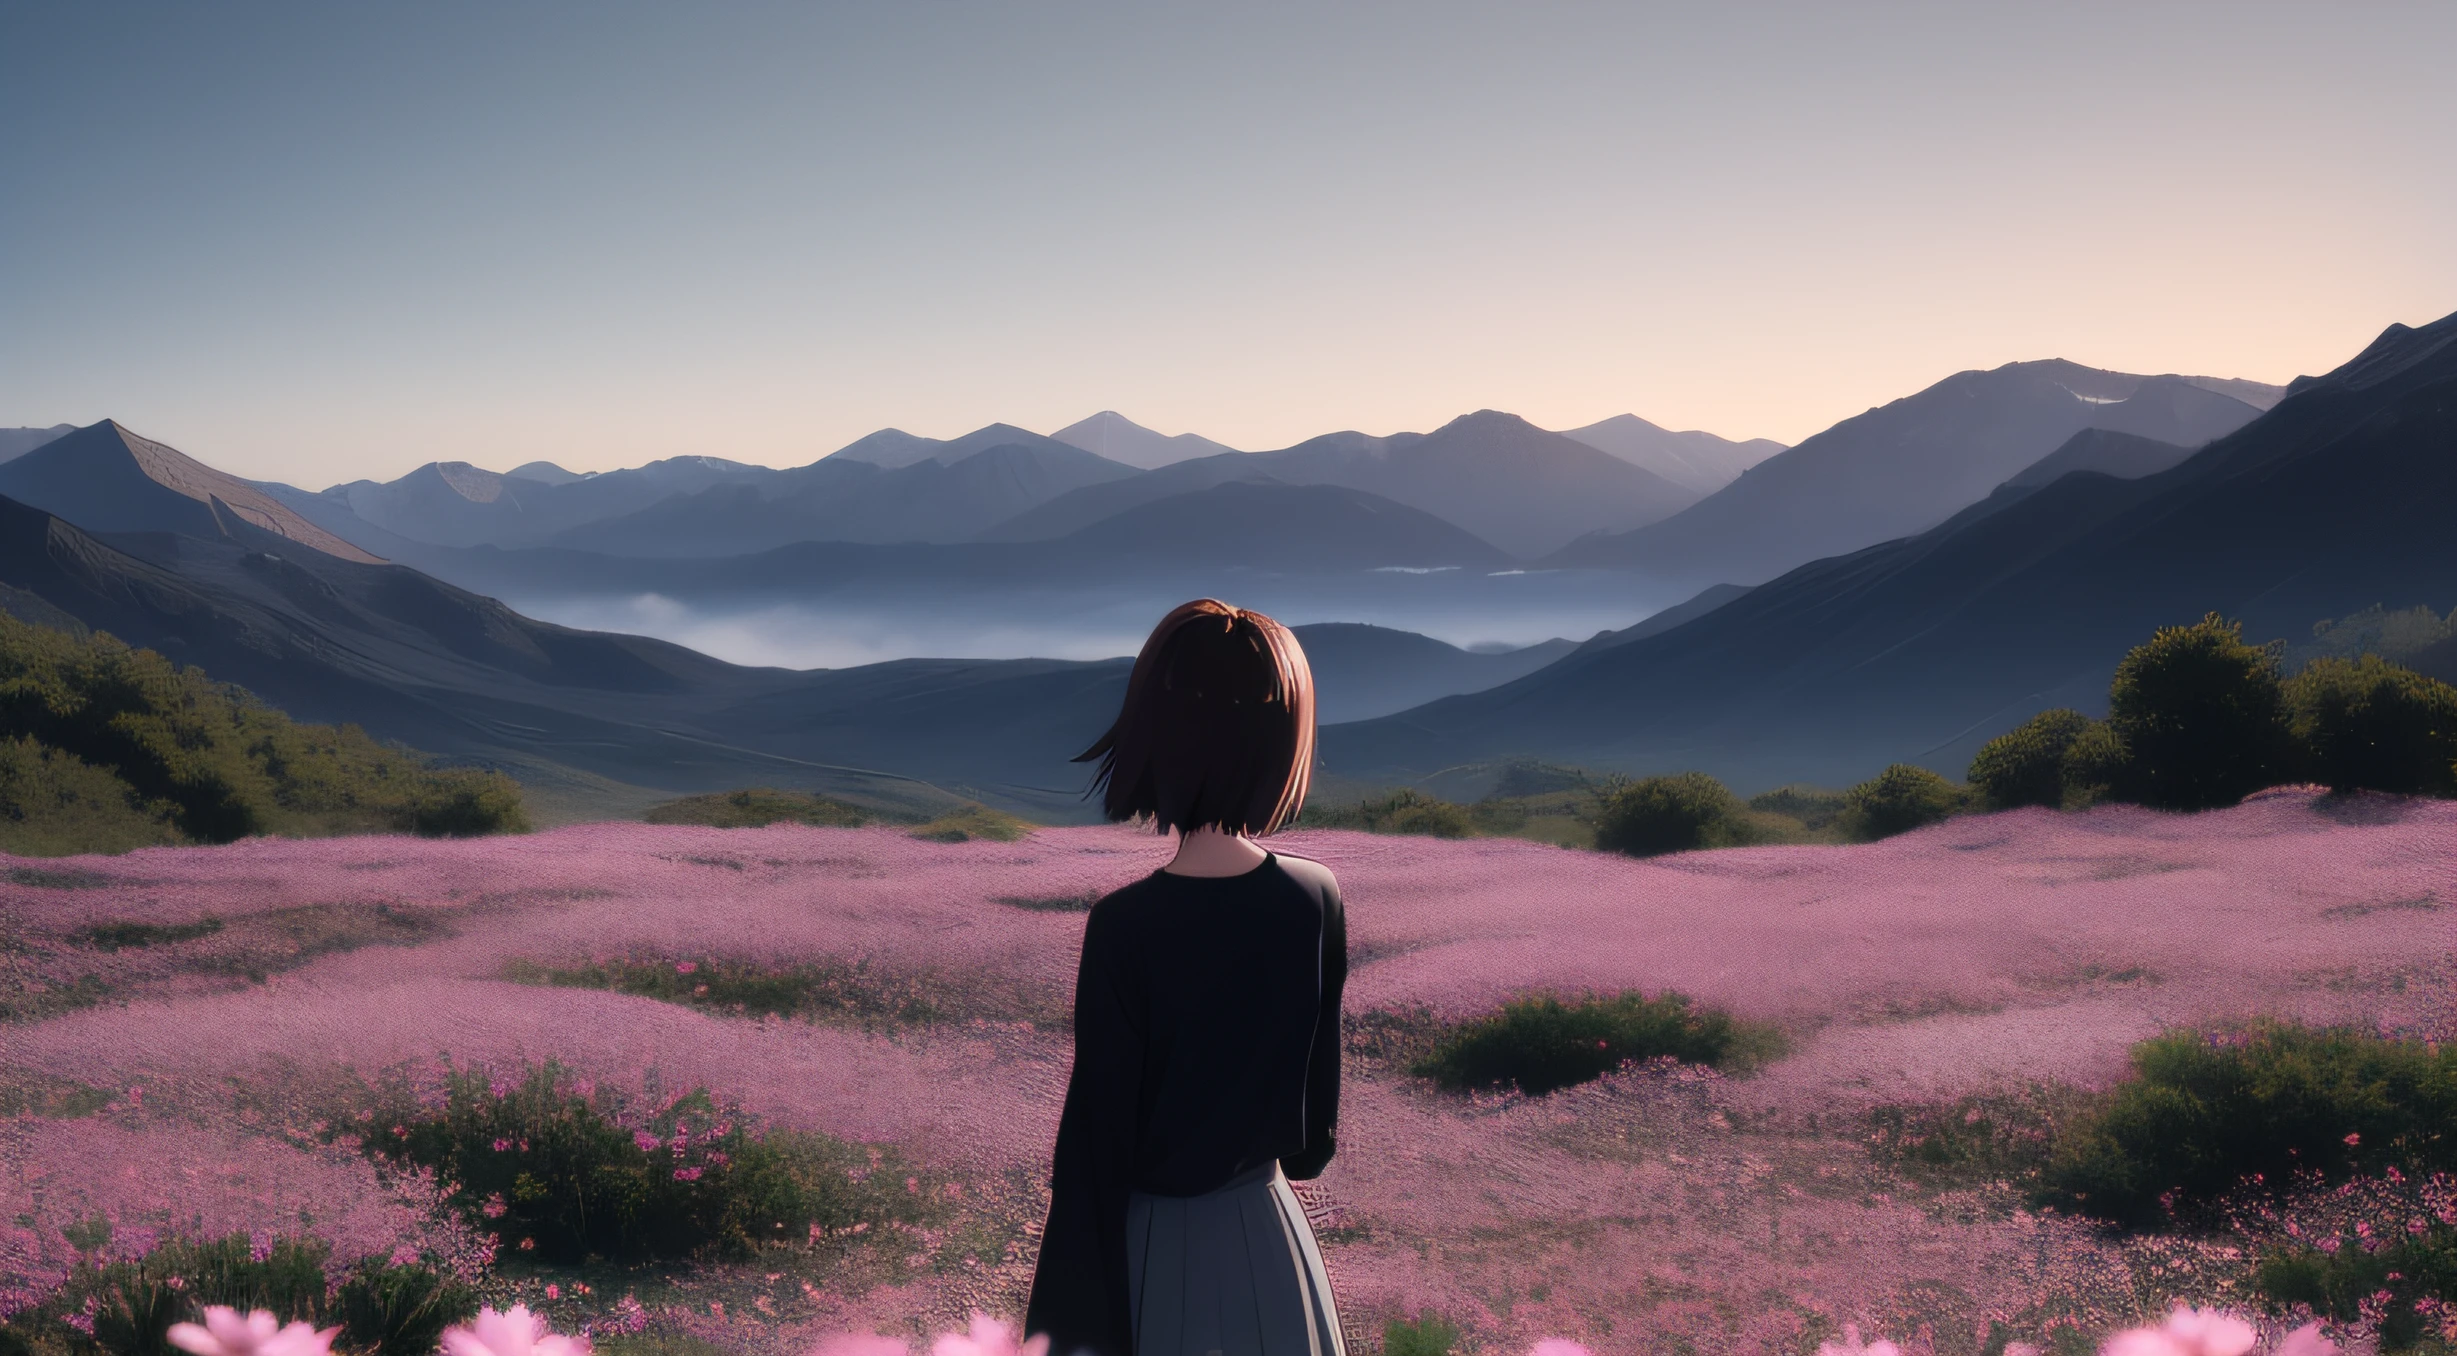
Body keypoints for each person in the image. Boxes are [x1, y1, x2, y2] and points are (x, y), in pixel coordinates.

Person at [1023, 599, 1349, 1356]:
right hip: (1270, 1244)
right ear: (1280, 741)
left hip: (1151, 1256)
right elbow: (1311, 1146)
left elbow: (1092, 1160)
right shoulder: (1317, 895)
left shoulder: (1124, 925)